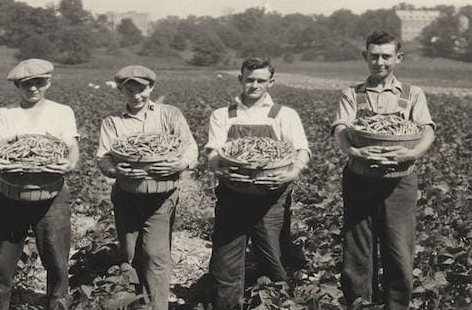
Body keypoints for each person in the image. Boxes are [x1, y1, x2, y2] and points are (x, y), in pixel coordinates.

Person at [331, 31, 435, 310]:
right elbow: (341, 129)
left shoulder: (413, 94)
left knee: (399, 249)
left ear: (398, 58)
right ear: (365, 57)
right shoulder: (351, 94)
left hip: (399, 181)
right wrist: (355, 151)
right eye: (373, 56)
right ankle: (360, 304)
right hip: (359, 178)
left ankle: (396, 306)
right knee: (357, 248)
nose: (379, 62)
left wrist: (413, 152)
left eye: (386, 56)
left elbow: (426, 130)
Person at [204, 57, 310, 309]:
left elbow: (301, 151)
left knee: (273, 256)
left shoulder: (284, 115)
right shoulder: (223, 115)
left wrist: (291, 173)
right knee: (225, 262)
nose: (254, 85)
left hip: (271, 197)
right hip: (233, 196)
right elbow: (213, 153)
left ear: (271, 82)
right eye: (249, 79)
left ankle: (277, 303)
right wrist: (223, 171)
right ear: (240, 79)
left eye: (260, 80)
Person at [96, 65, 198, 309]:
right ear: (121, 91)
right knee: (130, 254)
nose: (136, 95)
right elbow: (104, 158)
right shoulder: (112, 123)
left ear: (151, 87)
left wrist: (180, 163)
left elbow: (190, 148)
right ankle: (137, 302)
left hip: (162, 195)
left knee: (156, 254)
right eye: (129, 89)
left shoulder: (170, 115)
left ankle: (157, 305)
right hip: (127, 195)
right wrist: (118, 170)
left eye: (141, 89)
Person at [0, 59, 80, 310]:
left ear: (48, 82)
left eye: (39, 82)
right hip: (9, 196)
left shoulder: (62, 112)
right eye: (26, 84)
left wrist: (69, 164)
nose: (33, 88)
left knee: (57, 262)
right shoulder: (4, 114)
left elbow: (71, 148)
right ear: (17, 85)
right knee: (1, 264)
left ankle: (57, 305)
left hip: (51, 196)